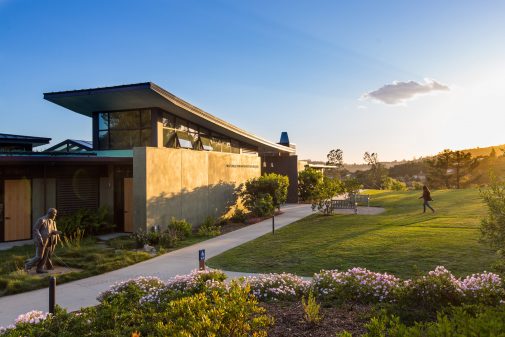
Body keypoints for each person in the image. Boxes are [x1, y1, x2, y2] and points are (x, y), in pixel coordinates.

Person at [24, 208, 61, 274]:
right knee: (39, 256)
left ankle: (40, 268)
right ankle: (28, 265)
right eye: (54, 214)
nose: (55, 216)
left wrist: (56, 232)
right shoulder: (42, 220)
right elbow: (35, 229)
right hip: (41, 241)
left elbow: (50, 231)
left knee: (45, 256)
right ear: (50, 213)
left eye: (55, 214)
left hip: (49, 241)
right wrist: (39, 237)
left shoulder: (52, 222)